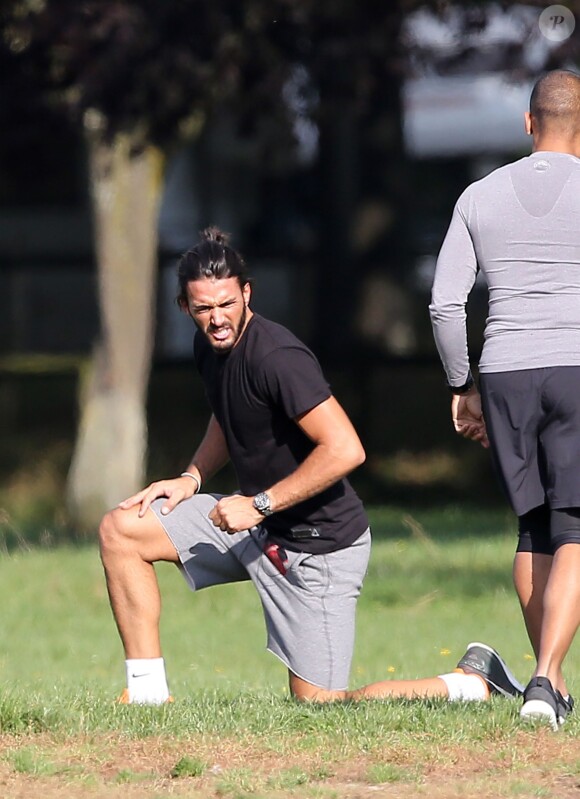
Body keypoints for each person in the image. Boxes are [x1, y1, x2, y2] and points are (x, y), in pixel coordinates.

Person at [99, 226, 521, 706]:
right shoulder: (212, 348)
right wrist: (191, 477)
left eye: (226, 304)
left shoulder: (278, 357)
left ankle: (473, 684)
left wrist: (259, 505)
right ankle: (148, 695)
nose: (216, 318)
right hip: (256, 527)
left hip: (318, 549)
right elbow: (228, 410)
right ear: (185, 308)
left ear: (246, 292)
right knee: (121, 530)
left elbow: (346, 449)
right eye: (203, 309)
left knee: (321, 705)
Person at [430, 69, 580, 730]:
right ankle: (546, 677)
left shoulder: (477, 195)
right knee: (575, 522)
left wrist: (462, 384)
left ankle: (553, 686)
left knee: (533, 526)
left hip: (505, 371)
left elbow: (443, 303)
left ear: (527, 123)